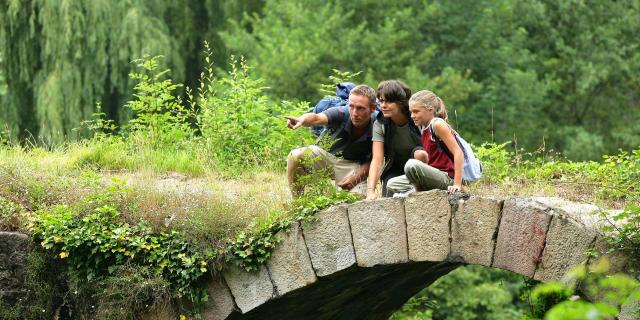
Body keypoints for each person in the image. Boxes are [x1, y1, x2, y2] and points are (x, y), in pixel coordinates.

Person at [285, 84, 378, 196]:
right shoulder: (341, 112)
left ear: (372, 108)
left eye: (360, 108)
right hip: (324, 156)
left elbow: (376, 160)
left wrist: (355, 178)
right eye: (351, 106)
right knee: (295, 155)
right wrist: (301, 120)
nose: (354, 113)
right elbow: (316, 118)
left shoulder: (379, 124)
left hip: (352, 166)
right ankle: (297, 202)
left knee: (357, 199)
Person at [389, 90, 467, 194]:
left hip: (447, 178)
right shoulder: (424, 129)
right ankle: (416, 191)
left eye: (416, 111)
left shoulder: (437, 125)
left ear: (430, 110)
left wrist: (457, 184)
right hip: (433, 176)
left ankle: (417, 192)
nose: (412, 116)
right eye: (411, 112)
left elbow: (458, 153)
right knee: (391, 184)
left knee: (411, 165)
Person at [365, 80, 422, 200]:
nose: (384, 105)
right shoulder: (380, 123)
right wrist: (370, 191)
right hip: (396, 169)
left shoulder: (417, 118)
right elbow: (377, 159)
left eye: (389, 101)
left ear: (401, 102)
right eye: (381, 101)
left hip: (422, 166)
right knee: (388, 192)